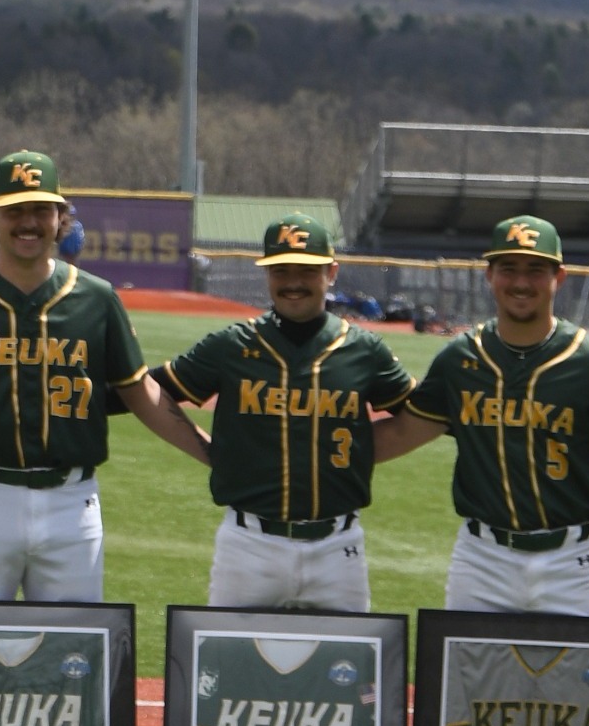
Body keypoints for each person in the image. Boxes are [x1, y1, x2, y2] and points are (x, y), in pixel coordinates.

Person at [0, 150, 210, 601]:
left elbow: (142, 393)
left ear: (60, 216)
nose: (28, 222)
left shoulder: (96, 299)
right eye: (15, 210)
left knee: (75, 651)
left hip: (71, 503)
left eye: (40, 209)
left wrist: (214, 455)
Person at [376, 216, 589, 634]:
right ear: (490, 275)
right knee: (468, 688)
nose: (521, 282)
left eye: (535, 269)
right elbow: (402, 433)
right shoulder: (462, 360)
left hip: (574, 562)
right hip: (482, 559)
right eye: (509, 269)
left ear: (559, 277)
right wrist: (305, 448)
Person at [156, 214, 415, 611]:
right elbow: (149, 392)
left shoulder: (364, 351)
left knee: (347, 666)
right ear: (267, 274)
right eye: (281, 270)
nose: (293, 281)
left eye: (307, 270)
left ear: (331, 271)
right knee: (231, 664)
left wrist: (357, 452)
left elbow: (422, 415)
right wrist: (207, 450)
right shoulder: (231, 345)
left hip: (338, 547)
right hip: (248, 544)